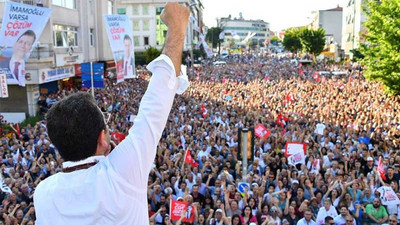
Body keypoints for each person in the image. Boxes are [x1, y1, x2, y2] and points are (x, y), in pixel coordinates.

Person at [33, 3, 189, 224]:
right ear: (102, 138)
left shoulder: (43, 193)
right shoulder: (121, 172)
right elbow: (156, 103)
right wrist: (177, 27)